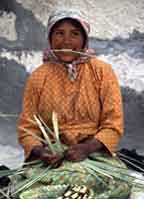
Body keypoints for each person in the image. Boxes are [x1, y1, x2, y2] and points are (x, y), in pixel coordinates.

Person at [17, 8, 124, 166]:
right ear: (50, 38)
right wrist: (41, 152)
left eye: (74, 34)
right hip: (52, 157)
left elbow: (114, 124)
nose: (66, 41)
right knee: (35, 189)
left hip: (94, 152)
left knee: (109, 187)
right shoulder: (38, 77)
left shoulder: (102, 72)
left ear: (84, 40)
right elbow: (28, 127)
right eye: (59, 33)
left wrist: (86, 148)